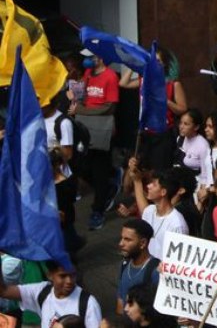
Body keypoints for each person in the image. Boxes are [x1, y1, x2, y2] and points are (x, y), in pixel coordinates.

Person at [76, 50, 119, 232]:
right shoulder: (88, 74)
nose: (86, 61)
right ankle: (110, 185)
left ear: (99, 57)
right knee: (81, 166)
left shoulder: (110, 77)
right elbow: (84, 99)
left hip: (101, 128)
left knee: (99, 171)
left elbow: (109, 107)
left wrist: (82, 111)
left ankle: (98, 211)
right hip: (85, 127)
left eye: (90, 57)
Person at [0, 261, 102, 328]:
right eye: (63, 276)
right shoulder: (41, 291)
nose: (69, 281)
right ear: (50, 275)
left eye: (73, 275)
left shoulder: (88, 304)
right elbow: (3, 291)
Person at [124, 161, 188, 259]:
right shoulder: (150, 210)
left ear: (163, 192)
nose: (148, 186)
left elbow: (177, 260)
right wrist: (137, 181)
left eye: (153, 184)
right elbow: (143, 206)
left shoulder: (177, 224)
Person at [115, 220, 159, 315]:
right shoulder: (124, 264)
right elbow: (120, 300)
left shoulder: (156, 271)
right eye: (122, 238)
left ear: (142, 243)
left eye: (127, 239)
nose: (121, 243)